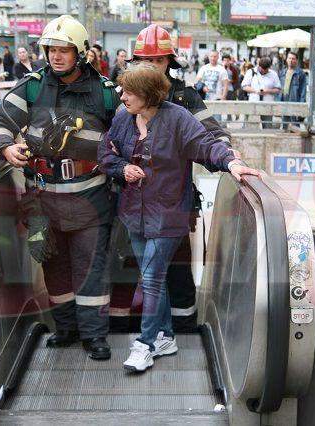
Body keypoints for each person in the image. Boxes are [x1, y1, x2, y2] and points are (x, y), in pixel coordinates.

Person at [99, 63, 260, 372]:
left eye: (129, 91)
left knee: (151, 277)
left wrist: (231, 162)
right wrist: (122, 168)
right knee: (153, 277)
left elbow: (206, 146)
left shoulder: (177, 118)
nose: (122, 96)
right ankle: (166, 336)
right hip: (134, 213)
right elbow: (106, 152)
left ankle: (145, 344)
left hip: (169, 214)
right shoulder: (123, 119)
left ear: (148, 94)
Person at [0, 15, 121, 360]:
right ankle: (66, 329)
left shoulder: (106, 94)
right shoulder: (32, 87)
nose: (56, 57)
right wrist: (5, 146)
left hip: (90, 197)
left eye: (64, 50)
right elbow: (1, 119)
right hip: (42, 199)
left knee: (90, 268)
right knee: (52, 265)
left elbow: (128, 131)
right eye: (51, 50)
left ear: (80, 53)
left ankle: (94, 336)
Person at [127, 24, 235, 332]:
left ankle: (183, 325)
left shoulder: (185, 98)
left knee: (175, 264)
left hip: (173, 201)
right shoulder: (124, 93)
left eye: (158, 60)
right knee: (135, 266)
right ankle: (145, 329)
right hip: (133, 200)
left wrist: (229, 155)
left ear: (169, 62)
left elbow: (211, 133)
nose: (151, 66)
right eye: (145, 60)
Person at [241, 56, 281, 129]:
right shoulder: (251, 72)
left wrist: (268, 90)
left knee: (267, 127)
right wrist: (256, 91)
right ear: (259, 66)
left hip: (268, 104)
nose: (263, 71)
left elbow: (278, 89)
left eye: (266, 69)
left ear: (269, 67)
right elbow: (244, 86)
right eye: (262, 69)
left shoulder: (273, 74)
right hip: (253, 103)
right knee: (251, 127)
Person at [279, 51, 307, 127]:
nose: (291, 60)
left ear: (296, 61)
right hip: (284, 101)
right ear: (286, 59)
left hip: (295, 102)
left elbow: (303, 91)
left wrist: (301, 106)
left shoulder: (301, 73)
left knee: (295, 127)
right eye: (289, 58)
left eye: (293, 59)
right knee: (284, 126)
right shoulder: (282, 73)